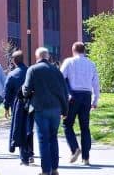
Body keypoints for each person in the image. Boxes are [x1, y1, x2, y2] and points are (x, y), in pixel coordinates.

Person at [22, 47, 68, 175]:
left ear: (37, 57)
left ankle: (45, 170)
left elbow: (26, 90)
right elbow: (64, 91)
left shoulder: (32, 70)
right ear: (48, 57)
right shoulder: (56, 70)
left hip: (40, 107)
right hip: (56, 108)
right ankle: (54, 169)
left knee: (43, 139)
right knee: (53, 138)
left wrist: (28, 92)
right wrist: (65, 110)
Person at [60, 42, 100, 166]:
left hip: (73, 96)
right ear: (84, 51)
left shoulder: (69, 62)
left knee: (67, 124)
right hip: (86, 96)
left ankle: (74, 148)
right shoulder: (91, 64)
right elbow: (96, 84)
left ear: (73, 50)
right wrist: (95, 100)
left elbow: (60, 78)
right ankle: (86, 157)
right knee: (85, 127)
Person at [3, 50, 33, 166]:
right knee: (29, 128)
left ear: (14, 61)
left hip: (18, 104)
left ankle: (24, 157)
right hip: (31, 103)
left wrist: (6, 107)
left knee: (19, 129)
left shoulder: (12, 74)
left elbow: (7, 92)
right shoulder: (30, 71)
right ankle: (30, 153)